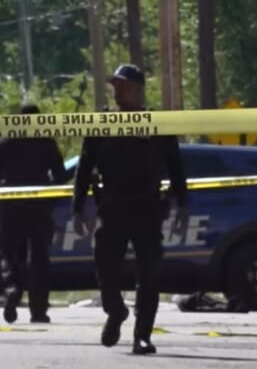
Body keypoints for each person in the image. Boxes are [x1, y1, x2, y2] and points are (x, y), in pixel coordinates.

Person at [71, 63, 189, 354]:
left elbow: (176, 167)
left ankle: (143, 335)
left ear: (138, 90)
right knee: (104, 265)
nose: (117, 91)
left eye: (123, 85)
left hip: (148, 206)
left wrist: (182, 205)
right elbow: (84, 167)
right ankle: (115, 311)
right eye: (115, 85)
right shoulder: (102, 123)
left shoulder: (156, 123)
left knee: (150, 271)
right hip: (112, 206)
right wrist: (77, 208)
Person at [0, 103, 67, 324]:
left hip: (11, 208)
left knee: (13, 256)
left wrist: (0, 199)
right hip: (39, 208)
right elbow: (60, 177)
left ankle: (13, 290)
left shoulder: (3, 144)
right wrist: (51, 197)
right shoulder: (46, 143)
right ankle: (38, 310)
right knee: (39, 259)